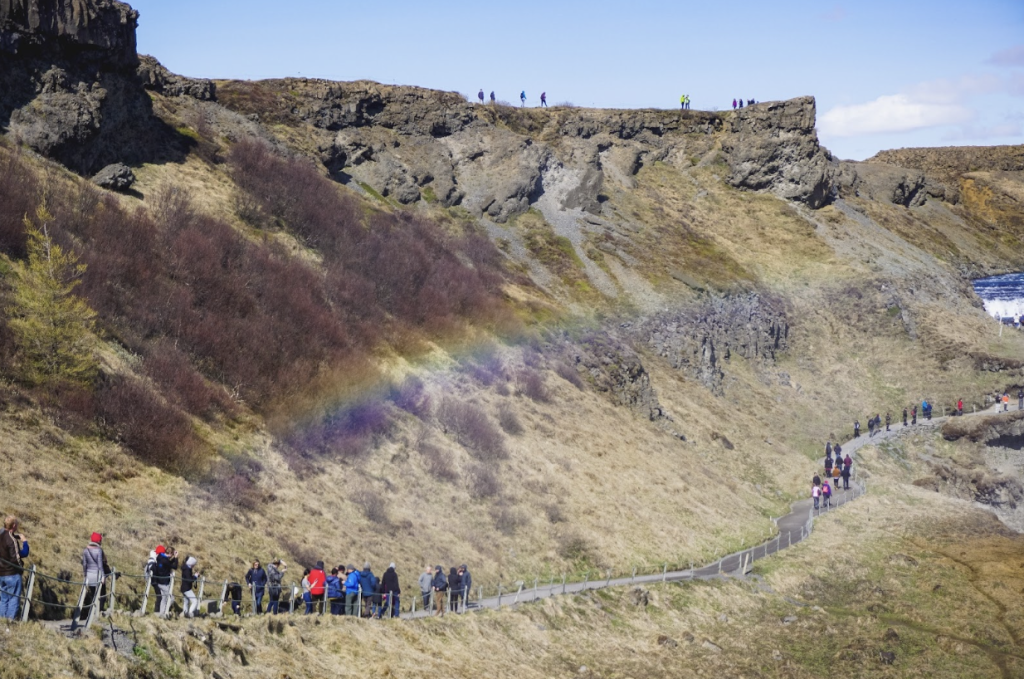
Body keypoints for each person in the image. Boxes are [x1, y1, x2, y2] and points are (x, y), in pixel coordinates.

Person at [0, 517, 27, 620]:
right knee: (13, 599)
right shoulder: (12, 539)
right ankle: (10, 622)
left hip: (1, 573)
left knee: (3, 599)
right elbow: (16, 558)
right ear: (14, 525)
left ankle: (2, 621)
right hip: (12, 573)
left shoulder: (1, 536)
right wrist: (20, 568)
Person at [77, 532, 108, 623]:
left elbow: (85, 564)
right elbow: (100, 565)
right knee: (102, 596)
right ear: (98, 541)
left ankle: (90, 613)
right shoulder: (99, 550)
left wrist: (85, 575)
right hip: (97, 576)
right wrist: (103, 576)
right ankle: (97, 614)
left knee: (93, 595)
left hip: (89, 577)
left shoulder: (86, 550)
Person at [153, 545, 178, 617]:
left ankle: (161, 613)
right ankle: (165, 612)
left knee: (164, 598)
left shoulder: (160, 557)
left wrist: (173, 558)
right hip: (164, 582)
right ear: (170, 553)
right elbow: (174, 566)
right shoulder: (165, 560)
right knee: (171, 598)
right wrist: (176, 558)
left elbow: (168, 564)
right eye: (172, 554)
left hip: (159, 581)